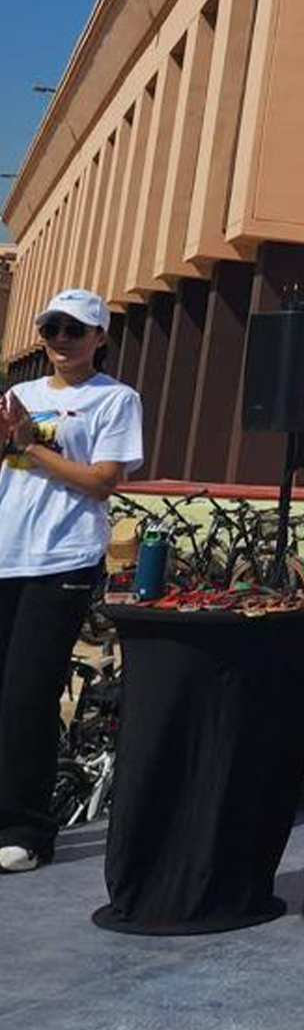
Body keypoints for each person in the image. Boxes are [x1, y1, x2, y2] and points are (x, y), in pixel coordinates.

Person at [0, 289, 142, 873]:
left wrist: (30, 446)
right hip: (6, 550)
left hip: (61, 557)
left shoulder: (115, 399)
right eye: (52, 328)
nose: (61, 340)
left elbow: (103, 480)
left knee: (28, 695)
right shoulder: (21, 396)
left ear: (99, 337)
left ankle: (24, 827)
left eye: (75, 330)